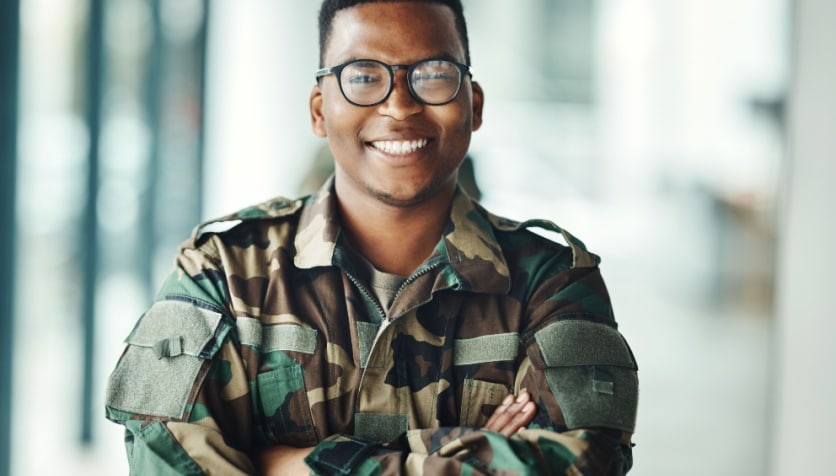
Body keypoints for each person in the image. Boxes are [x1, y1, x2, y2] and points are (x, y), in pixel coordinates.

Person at [104, 0, 639, 474]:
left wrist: (293, 466)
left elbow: (587, 461)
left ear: (473, 104)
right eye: (363, 77)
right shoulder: (222, 271)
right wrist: (467, 456)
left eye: (432, 74)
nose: (401, 106)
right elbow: (165, 461)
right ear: (319, 109)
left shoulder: (553, 279)